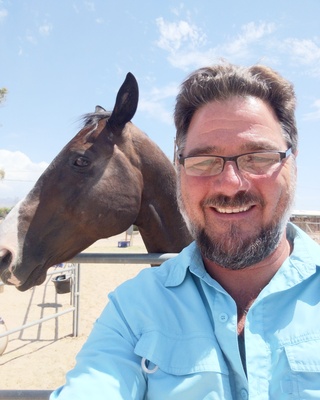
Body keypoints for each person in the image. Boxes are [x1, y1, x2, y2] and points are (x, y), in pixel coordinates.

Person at [50, 62, 320, 399]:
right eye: (204, 161)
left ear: (292, 162)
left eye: (258, 156)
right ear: (180, 170)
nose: (230, 185)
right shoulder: (132, 310)